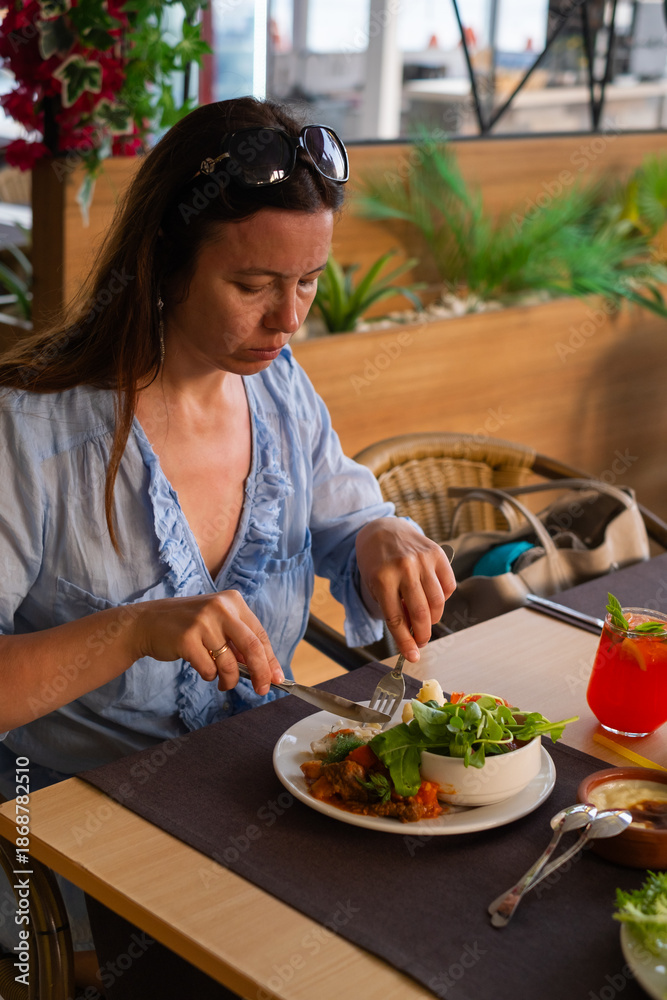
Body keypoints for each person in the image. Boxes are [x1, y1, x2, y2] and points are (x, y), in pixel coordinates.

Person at [0, 96, 455, 995]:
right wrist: (132, 630)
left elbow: (341, 510)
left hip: (253, 795)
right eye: (252, 286)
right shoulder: (30, 433)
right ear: (164, 264)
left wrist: (379, 533)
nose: (288, 321)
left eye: (309, 282)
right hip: (67, 828)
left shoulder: (280, 390)